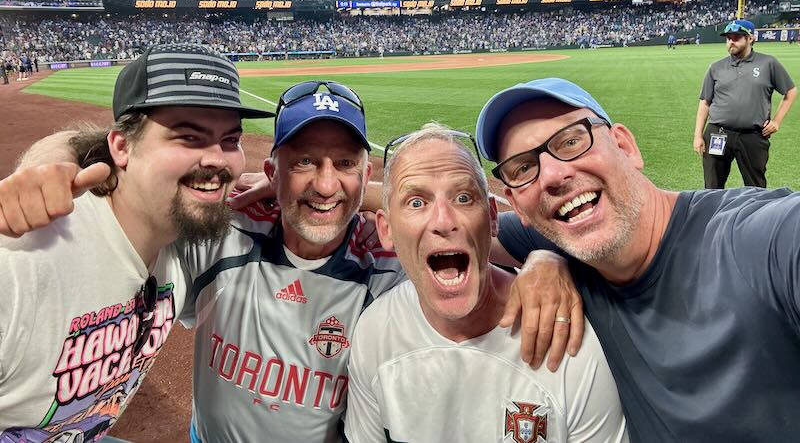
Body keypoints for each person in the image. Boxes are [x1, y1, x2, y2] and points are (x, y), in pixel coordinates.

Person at [0, 80, 581, 442]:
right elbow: (136, 172)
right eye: (304, 162)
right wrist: (46, 160)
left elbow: (528, 234)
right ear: (272, 171)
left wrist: (543, 265)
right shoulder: (217, 231)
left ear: (366, 177)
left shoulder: (392, 255)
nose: (326, 185)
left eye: (345, 165)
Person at [476, 77, 800, 442]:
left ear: (625, 146)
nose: (552, 175)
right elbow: (463, 236)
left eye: (571, 141)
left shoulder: (754, 239)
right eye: (522, 169)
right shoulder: (561, 235)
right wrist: (543, 258)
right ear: (517, 205)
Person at [0, 43, 271, 439]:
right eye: (189, 138)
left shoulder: (184, 238)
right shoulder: (20, 262)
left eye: (230, 140)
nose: (217, 158)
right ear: (122, 148)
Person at [344, 125, 627, 443]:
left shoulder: (572, 346)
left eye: (463, 198)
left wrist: (549, 258)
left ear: (493, 217)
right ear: (387, 230)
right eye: (416, 202)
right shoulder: (374, 332)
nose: (443, 220)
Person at [693, 18, 796, 188]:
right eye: (728, 38)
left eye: (736, 37)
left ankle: (756, 215)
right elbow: (705, 102)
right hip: (718, 133)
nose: (731, 42)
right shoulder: (716, 68)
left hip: (753, 136)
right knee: (712, 187)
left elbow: (791, 92)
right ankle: (713, 215)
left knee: (756, 188)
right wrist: (698, 135)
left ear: (750, 38)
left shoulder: (768, 63)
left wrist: (776, 121)